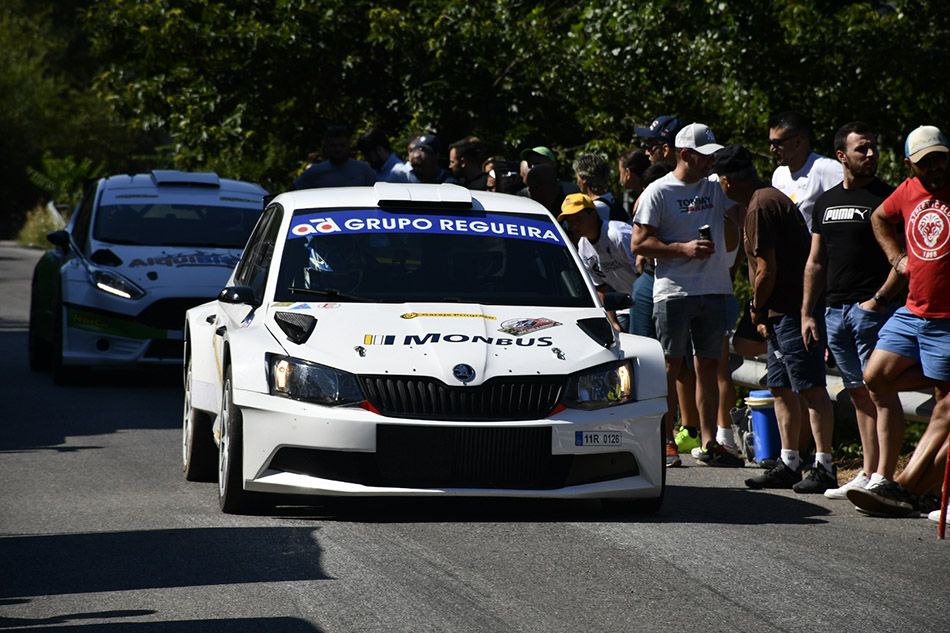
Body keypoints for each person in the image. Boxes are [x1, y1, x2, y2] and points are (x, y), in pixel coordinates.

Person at [713, 144, 838, 492]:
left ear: (725, 182)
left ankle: (824, 465)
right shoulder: (764, 199)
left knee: (811, 388)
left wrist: (755, 307)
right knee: (780, 386)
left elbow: (766, 269)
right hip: (778, 311)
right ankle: (789, 460)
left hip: (793, 310)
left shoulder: (760, 206)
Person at [846, 125, 950, 516]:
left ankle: (920, 492)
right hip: (913, 311)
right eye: (927, 163)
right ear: (910, 165)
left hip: (946, 320)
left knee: (946, 405)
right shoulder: (907, 191)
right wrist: (895, 258)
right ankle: (901, 488)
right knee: (875, 376)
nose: (936, 168)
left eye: (940, 158)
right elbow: (879, 218)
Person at [800, 122, 906, 500]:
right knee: (857, 392)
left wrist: (878, 300)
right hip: (833, 310)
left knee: (878, 391)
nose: (872, 154)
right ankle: (866, 470)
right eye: (863, 148)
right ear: (842, 156)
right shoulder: (825, 202)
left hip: (873, 310)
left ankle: (883, 474)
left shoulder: (889, 198)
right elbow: (815, 262)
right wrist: (807, 312)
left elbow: (904, 260)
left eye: (874, 146)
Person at [631, 123, 743, 467]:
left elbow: (745, 203)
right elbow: (639, 243)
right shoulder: (658, 191)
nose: (710, 163)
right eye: (704, 157)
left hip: (714, 289)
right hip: (674, 291)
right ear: (685, 155)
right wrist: (683, 248)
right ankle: (666, 441)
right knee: (670, 365)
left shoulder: (715, 186)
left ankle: (708, 441)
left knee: (708, 365)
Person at [559, 193, 638, 333]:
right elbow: (600, 288)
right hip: (623, 307)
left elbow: (645, 271)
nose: (574, 226)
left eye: (578, 219)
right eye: (570, 222)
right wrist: (612, 322)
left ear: (593, 214)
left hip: (646, 300)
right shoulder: (583, 247)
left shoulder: (617, 234)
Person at [768, 111, 843, 231]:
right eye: (770, 143)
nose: (771, 149)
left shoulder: (827, 169)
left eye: (777, 143)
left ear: (798, 142)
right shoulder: (778, 174)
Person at [292, 125, 377, 190]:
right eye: (333, 145)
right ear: (327, 147)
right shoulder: (315, 172)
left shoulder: (364, 170)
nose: (338, 149)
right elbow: (292, 191)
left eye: (342, 145)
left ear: (348, 146)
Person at [573, 153, 625, 222]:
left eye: (577, 177)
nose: (577, 181)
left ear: (584, 178)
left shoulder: (596, 208)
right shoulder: (613, 200)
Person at [618, 148, 651, 219]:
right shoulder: (652, 193)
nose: (619, 177)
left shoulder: (644, 202)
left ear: (628, 173)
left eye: (620, 172)